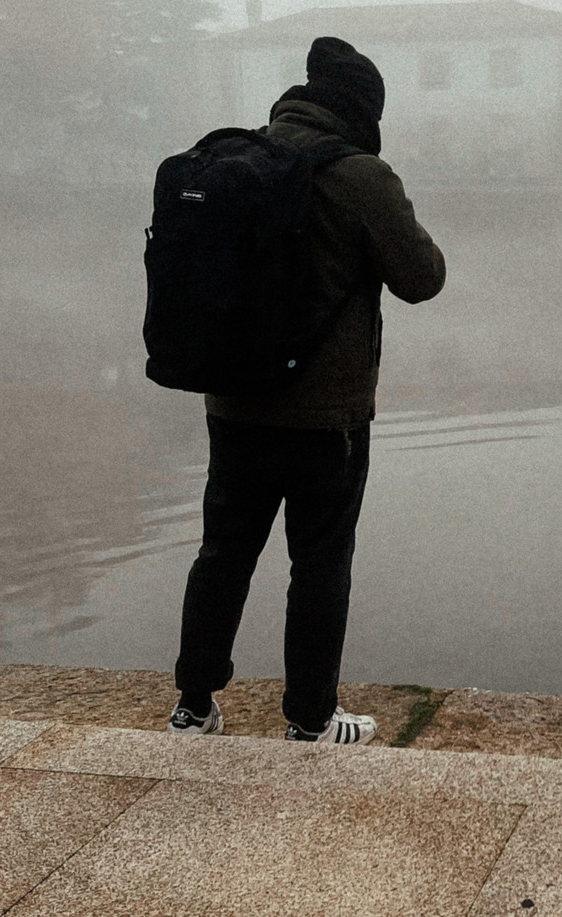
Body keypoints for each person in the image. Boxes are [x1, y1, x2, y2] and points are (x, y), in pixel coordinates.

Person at [169, 36, 445, 743]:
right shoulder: (360, 175)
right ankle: (311, 720)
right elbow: (422, 278)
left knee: (221, 553)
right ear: (361, 110)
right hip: (327, 417)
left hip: (232, 404)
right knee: (319, 564)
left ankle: (193, 707)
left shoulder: (235, 161)